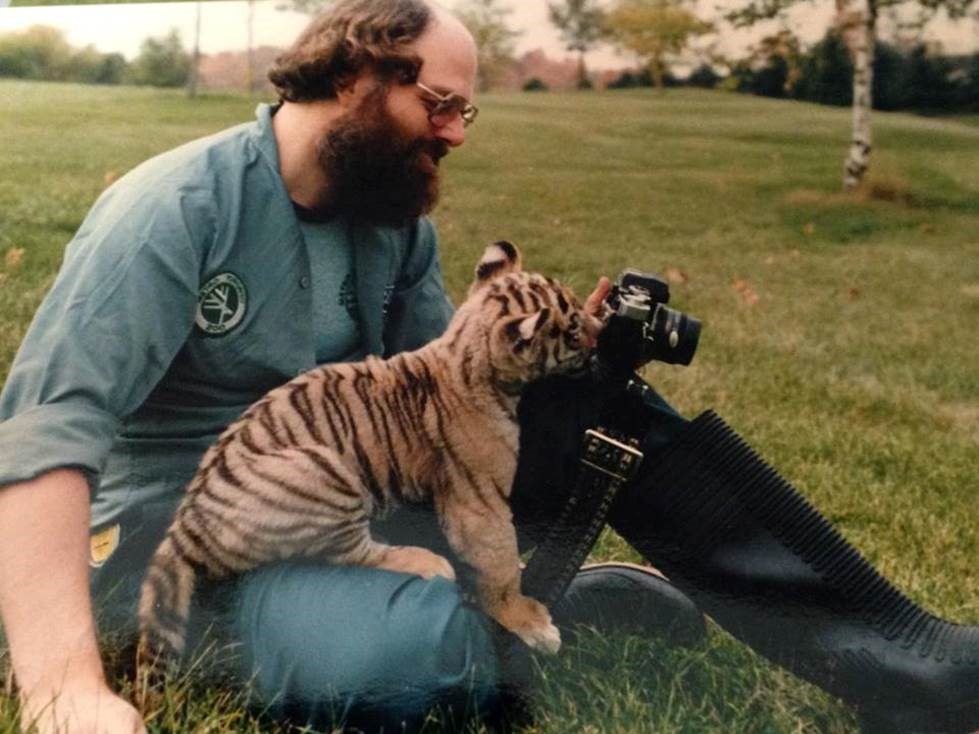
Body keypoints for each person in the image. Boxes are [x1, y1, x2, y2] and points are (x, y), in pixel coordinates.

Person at [1, 2, 978, 734]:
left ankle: (907, 659)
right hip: (184, 538)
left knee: (602, 411)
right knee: (412, 661)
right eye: (439, 105)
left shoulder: (392, 221)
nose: (456, 134)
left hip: (354, 494)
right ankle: (541, 605)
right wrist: (62, 687)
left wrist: (577, 360)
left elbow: (459, 405)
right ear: (353, 73)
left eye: (468, 111)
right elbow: (47, 437)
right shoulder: (173, 211)